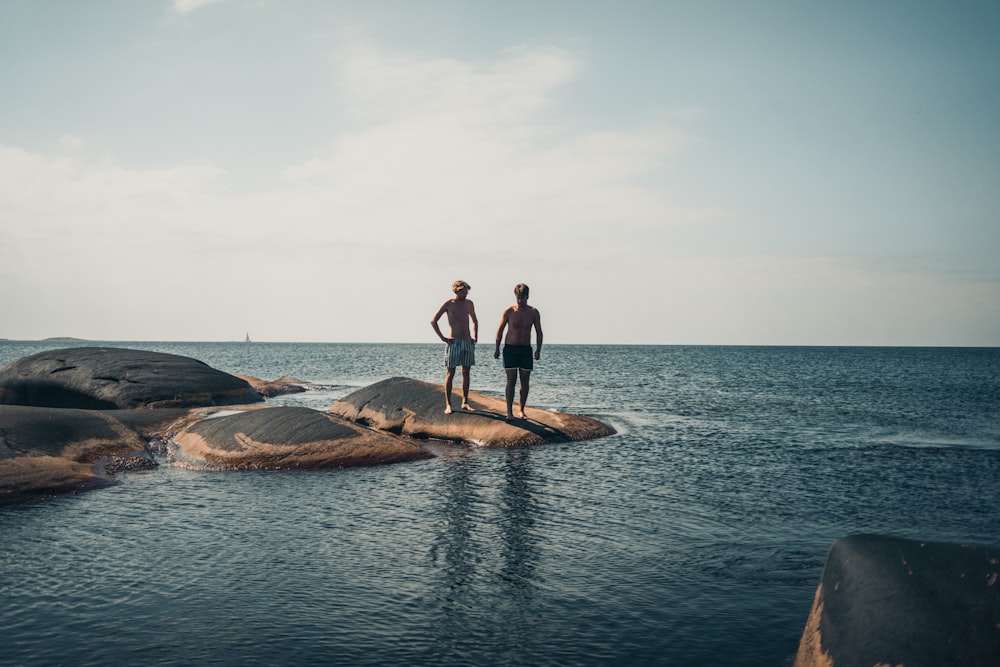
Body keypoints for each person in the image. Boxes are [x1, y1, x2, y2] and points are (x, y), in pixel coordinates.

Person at [494, 283, 543, 420]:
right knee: (511, 380)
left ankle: (521, 410)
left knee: (525, 380)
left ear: (528, 296)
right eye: (518, 297)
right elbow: (500, 330)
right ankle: (509, 412)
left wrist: (538, 350)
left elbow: (539, 332)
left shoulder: (533, 312)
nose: (520, 301)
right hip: (510, 349)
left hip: (526, 350)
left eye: (523, 298)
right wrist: (497, 348)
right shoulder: (509, 311)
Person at [431, 279, 478, 414]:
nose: (466, 295)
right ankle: (448, 404)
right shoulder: (449, 304)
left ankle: (465, 402)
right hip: (454, 342)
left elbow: (475, 320)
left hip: (467, 341)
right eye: (464, 292)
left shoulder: (469, 304)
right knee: (450, 372)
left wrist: (475, 336)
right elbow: (433, 321)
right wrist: (443, 338)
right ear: (457, 290)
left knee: (466, 372)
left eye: (467, 292)